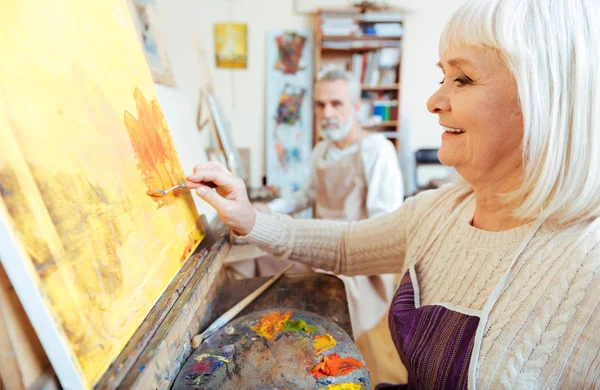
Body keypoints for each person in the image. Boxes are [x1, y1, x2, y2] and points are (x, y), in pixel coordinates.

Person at [187, 0, 600, 387]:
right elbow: (348, 245)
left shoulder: (587, 266)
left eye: (464, 79)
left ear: (545, 97)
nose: (434, 101)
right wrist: (251, 218)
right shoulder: (436, 212)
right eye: (443, 78)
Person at [251, 69, 404, 341]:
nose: (327, 113)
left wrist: (334, 254)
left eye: (336, 104)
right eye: (321, 105)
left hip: (360, 264)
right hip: (322, 250)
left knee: (316, 299)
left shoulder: (377, 150)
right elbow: (306, 196)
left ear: (356, 107)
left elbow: (387, 228)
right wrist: (267, 211)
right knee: (253, 262)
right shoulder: (321, 151)